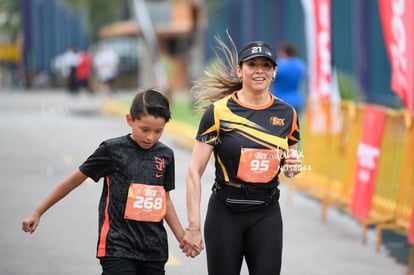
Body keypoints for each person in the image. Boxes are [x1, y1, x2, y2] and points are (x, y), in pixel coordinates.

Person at [22, 89, 193, 275]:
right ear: (130, 120)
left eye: (158, 131)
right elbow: (74, 180)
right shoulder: (112, 150)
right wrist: (38, 212)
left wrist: (181, 237)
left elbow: (165, 200)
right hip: (117, 245)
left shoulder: (165, 155)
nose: (150, 137)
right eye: (145, 129)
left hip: (154, 248)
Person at [179, 35, 302, 275]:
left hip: (266, 213)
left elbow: (291, 165)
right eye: (252, 65)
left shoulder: (288, 114)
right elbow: (194, 170)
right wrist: (193, 226)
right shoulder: (219, 112)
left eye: (266, 65)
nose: (259, 71)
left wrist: (293, 166)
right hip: (225, 214)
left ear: (274, 71)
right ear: (239, 70)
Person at [270, 42, 306, 116]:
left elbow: (270, 79)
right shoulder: (301, 65)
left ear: (284, 52)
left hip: (280, 99)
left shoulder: (280, 65)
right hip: (297, 99)